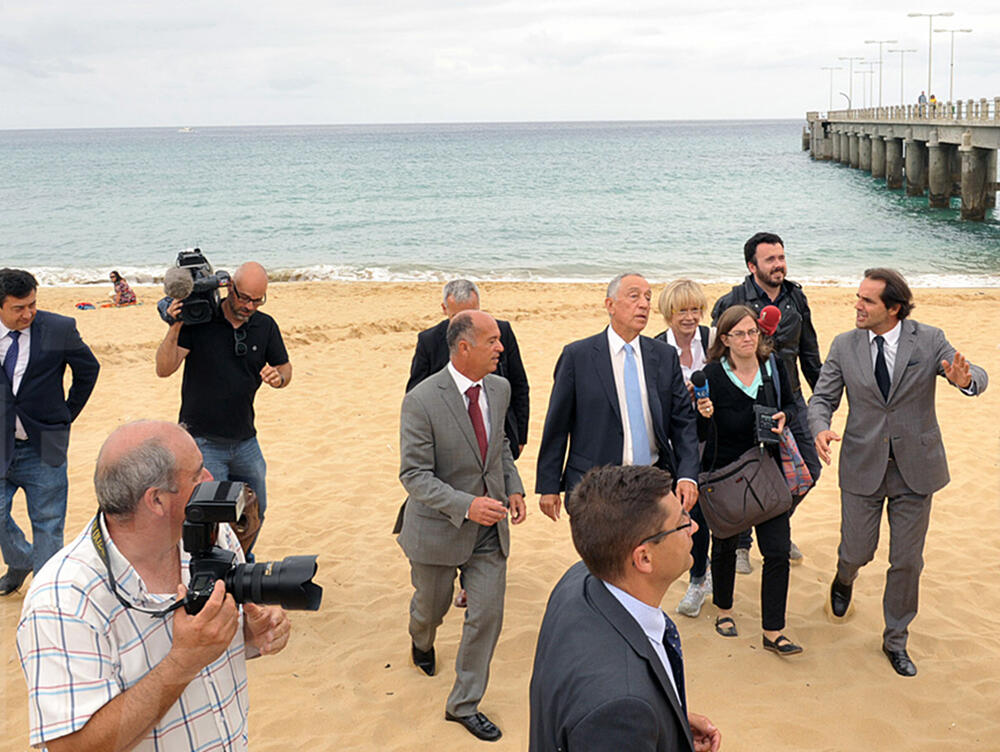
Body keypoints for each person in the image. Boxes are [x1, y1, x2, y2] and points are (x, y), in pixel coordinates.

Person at [16, 420, 291, 751]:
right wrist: (182, 662)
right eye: (197, 474)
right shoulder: (63, 601)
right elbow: (74, 747)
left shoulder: (214, 537)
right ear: (156, 500)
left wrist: (248, 634)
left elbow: (212, 645)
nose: (210, 480)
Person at [809, 268, 988, 677]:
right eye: (857, 296)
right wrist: (820, 428)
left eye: (867, 300)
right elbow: (822, 398)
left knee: (907, 562)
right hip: (861, 465)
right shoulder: (843, 345)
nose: (857, 305)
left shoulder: (928, 339)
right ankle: (843, 577)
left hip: (916, 471)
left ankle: (895, 640)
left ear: (893, 308)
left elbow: (976, 374)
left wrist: (964, 381)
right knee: (858, 550)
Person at [397, 310, 527, 742]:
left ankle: (463, 704)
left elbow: (500, 447)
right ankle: (421, 640)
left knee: (487, 615)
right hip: (437, 531)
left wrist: (514, 487)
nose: (500, 348)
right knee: (429, 610)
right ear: (464, 347)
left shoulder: (500, 388)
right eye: (492, 341)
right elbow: (414, 476)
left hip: (490, 530)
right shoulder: (421, 400)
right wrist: (466, 505)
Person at [529, 464, 721, 752]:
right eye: (682, 523)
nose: (693, 527)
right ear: (643, 558)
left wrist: (667, 726)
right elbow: (612, 709)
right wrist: (636, 726)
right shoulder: (622, 708)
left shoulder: (579, 579)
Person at [535, 273, 700, 521]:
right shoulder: (578, 356)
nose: (644, 304)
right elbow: (557, 424)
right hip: (596, 485)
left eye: (647, 297)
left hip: (653, 481)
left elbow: (683, 422)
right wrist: (549, 486)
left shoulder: (663, 356)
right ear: (610, 305)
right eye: (634, 296)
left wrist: (687, 475)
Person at [155, 261, 290, 556]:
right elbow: (164, 368)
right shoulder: (201, 320)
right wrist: (176, 325)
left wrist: (278, 378)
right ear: (229, 287)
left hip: (246, 441)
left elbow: (284, 368)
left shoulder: (265, 326)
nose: (249, 306)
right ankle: (221, 571)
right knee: (214, 518)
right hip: (203, 442)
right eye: (244, 297)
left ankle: (240, 561)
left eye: (258, 300)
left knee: (255, 511)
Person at [711, 232, 822, 571]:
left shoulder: (796, 298)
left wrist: (823, 399)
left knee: (809, 470)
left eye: (781, 258)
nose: (779, 265)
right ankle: (743, 540)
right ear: (752, 265)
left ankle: (773, 525)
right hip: (747, 397)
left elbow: (809, 351)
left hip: (791, 399)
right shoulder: (733, 300)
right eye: (770, 259)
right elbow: (717, 355)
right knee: (747, 468)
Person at [697, 305, 803, 656]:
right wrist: (704, 415)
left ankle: (773, 631)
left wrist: (785, 416)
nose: (748, 339)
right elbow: (697, 431)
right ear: (724, 339)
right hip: (726, 472)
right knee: (725, 544)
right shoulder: (711, 374)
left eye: (752, 332)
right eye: (739, 333)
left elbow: (791, 404)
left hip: (766, 470)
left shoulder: (773, 367)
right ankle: (724, 611)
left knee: (776, 551)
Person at [1, 268, 99, 594]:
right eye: (19, 308)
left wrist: (66, 415)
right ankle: (20, 560)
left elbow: (88, 370)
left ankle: (45, 596)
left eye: (32, 304)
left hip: (44, 444)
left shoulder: (58, 328)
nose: (28, 313)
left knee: (48, 525)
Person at [406, 279, 530, 459]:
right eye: (457, 317)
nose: (465, 325)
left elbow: (519, 384)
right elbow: (415, 395)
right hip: (449, 442)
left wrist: (520, 436)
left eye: (472, 314)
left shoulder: (501, 332)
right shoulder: (429, 341)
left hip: (498, 437)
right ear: (444, 308)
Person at [653, 279, 712, 618]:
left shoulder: (714, 341)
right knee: (690, 508)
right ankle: (697, 576)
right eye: (681, 311)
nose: (689, 318)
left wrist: (708, 402)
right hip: (677, 442)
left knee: (708, 508)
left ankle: (703, 575)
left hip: (710, 435)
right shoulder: (657, 349)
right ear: (668, 314)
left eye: (695, 309)